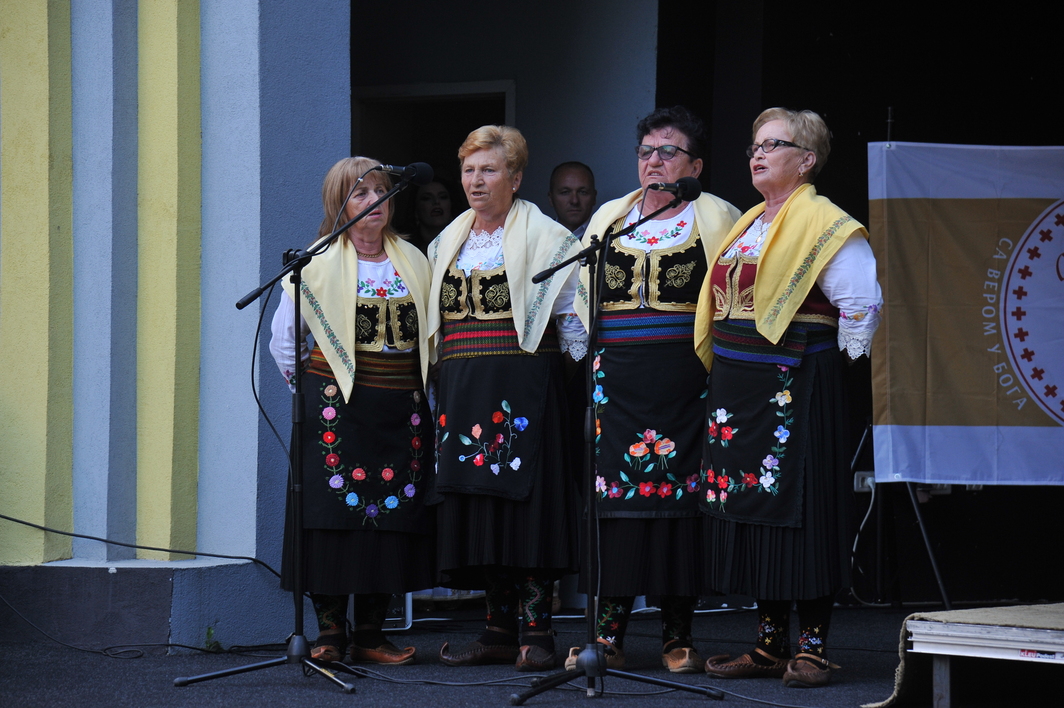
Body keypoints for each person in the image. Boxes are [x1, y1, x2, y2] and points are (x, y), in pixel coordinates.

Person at [696, 108, 882, 688]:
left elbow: (861, 305)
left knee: (806, 511)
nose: (758, 154)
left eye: (772, 144)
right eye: (755, 145)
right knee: (756, 510)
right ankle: (770, 644)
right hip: (739, 389)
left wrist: (836, 376)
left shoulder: (827, 223)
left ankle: (813, 647)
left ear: (806, 160)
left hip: (797, 385)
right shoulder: (749, 222)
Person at [568, 106, 741, 673]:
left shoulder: (719, 219)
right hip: (617, 385)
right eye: (646, 152)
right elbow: (582, 296)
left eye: (668, 152)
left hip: (685, 385)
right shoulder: (610, 220)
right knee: (615, 505)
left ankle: (676, 636)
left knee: (679, 505)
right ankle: (607, 635)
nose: (654, 162)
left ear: (695, 165)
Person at [427, 125, 587, 672]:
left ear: (515, 179)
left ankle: (537, 632)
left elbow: (573, 324)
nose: (476, 181)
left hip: (524, 393)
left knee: (526, 512)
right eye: (469, 170)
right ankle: (497, 630)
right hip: (463, 393)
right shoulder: (446, 242)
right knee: (480, 508)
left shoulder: (549, 240)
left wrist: (559, 390)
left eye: (489, 170)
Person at [270, 156, 436, 665]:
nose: (374, 202)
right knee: (331, 518)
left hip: (399, 410)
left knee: (390, 518)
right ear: (338, 205)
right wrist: (316, 390)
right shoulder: (316, 264)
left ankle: (370, 634)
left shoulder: (415, 261)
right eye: (360, 193)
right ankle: (329, 635)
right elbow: (285, 341)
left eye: (381, 191)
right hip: (335, 413)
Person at [547, 161, 597, 238]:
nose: (574, 201)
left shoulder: (611, 237)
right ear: (551, 198)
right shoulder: (537, 237)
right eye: (565, 192)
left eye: (583, 192)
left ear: (594, 197)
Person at [409, 178, 456, 252]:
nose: (436, 202)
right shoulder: (406, 249)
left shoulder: (466, 245)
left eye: (443, 197)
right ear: (416, 208)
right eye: (427, 198)